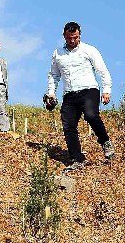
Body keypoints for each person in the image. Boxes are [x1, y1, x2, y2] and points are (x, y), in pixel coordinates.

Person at [46, 21, 114, 171]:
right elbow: (54, 75)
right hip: (69, 93)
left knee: (91, 115)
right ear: (64, 36)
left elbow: (102, 71)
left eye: (75, 37)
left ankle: (105, 142)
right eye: (69, 38)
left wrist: (106, 90)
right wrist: (51, 92)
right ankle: (77, 158)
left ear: (79, 35)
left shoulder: (89, 50)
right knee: (68, 125)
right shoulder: (58, 53)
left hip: (89, 89)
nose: (72, 41)